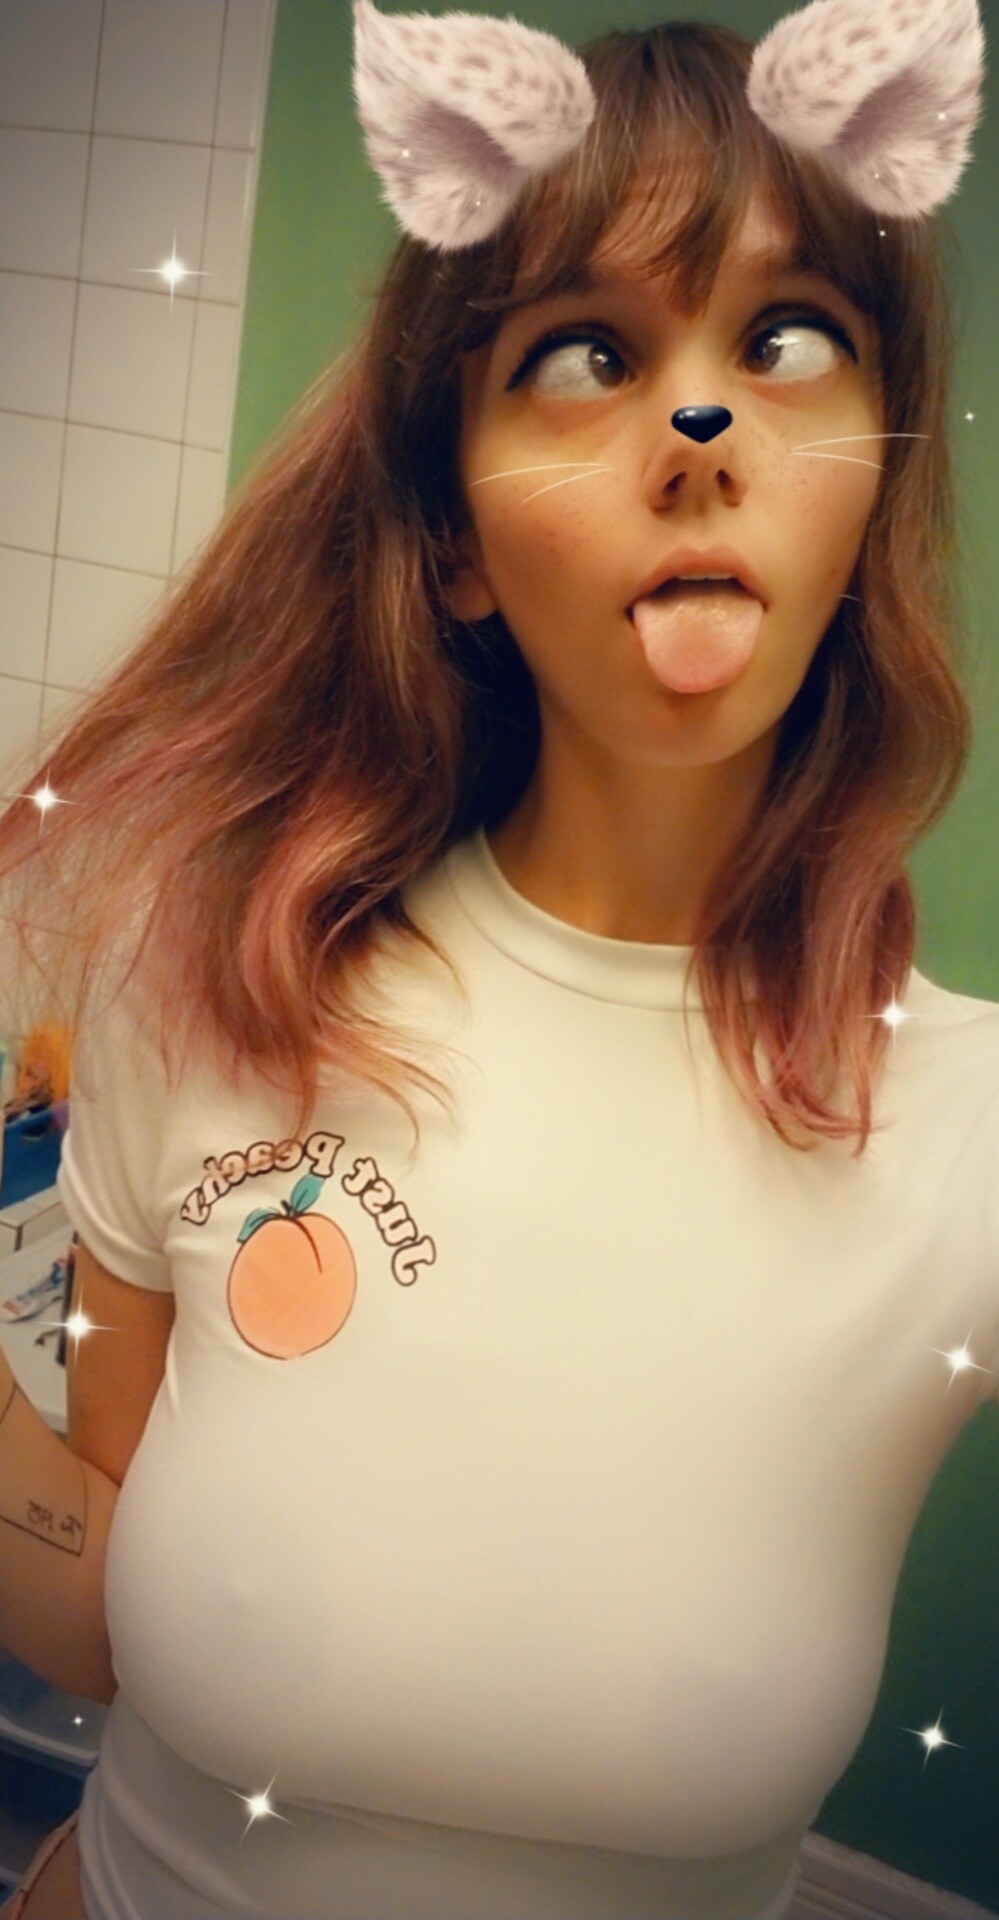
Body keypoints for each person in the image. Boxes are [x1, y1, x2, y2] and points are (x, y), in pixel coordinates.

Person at [0, 1, 992, 1915]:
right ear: (456, 536)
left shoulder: (970, 1133)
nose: (698, 431)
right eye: (586, 354)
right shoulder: (203, 990)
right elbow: (94, 1615)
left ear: (869, 486)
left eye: (789, 340)